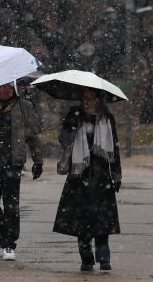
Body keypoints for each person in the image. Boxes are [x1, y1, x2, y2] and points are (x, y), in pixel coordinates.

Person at [52, 88, 122, 272]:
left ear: (99, 99)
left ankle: (104, 258)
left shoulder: (106, 118)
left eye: (91, 97)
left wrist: (116, 174)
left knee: (102, 221)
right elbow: (63, 140)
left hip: (101, 177)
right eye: (85, 97)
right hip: (79, 175)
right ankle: (87, 259)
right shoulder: (74, 115)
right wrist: (71, 126)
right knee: (81, 222)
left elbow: (114, 149)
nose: (87, 101)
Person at [0, 82, 44, 261]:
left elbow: (33, 135)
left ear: (13, 89)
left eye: (8, 87)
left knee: (11, 204)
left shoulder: (23, 106)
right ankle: (2, 238)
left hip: (12, 162)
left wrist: (38, 161)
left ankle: (9, 244)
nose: (4, 90)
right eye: (1, 87)